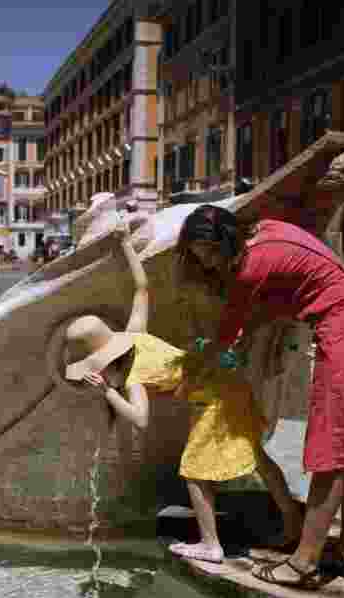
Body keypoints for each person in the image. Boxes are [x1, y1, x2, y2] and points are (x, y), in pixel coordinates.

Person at [175, 204, 344, 587]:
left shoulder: (249, 268)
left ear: (224, 241)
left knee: (330, 452)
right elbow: (269, 305)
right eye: (198, 257)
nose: (206, 263)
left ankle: (303, 563)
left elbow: (230, 329)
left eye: (208, 254)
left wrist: (190, 369)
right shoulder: (268, 229)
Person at [66, 221, 303, 563]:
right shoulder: (137, 334)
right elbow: (142, 288)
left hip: (214, 399)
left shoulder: (132, 376)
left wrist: (108, 394)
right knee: (258, 459)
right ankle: (293, 522)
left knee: (193, 471)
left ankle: (211, 545)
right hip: (229, 381)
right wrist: (124, 244)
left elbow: (141, 419)